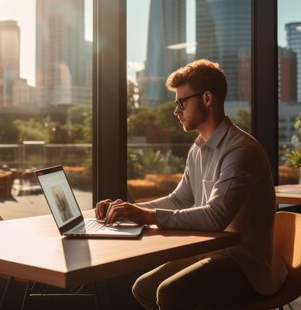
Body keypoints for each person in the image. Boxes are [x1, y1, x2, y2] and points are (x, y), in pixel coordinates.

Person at [95, 59, 287, 309]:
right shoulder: (198, 149)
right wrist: (127, 209)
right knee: (143, 288)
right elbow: (179, 199)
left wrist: (146, 216)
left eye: (181, 102)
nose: (176, 110)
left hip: (246, 266)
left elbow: (216, 216)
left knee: (169, 294)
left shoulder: (241, 150)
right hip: (211, 253)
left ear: (207, 98)